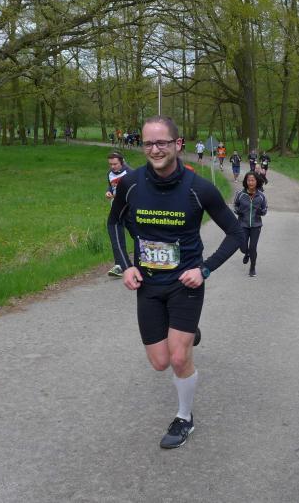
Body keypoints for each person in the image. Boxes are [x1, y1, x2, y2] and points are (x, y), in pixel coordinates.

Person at [107, 115, 244, 449]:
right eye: (148, 143)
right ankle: (188, 332)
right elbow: (114, 223)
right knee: (160, 362)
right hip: (148, 285)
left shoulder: (199, 189)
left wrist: (205, 269)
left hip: (186, 284)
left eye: (162, 143)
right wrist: (126, 266)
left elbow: (236, 233)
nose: (155, 149)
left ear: (178, 144)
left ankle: (184, 418)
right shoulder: (131, 185)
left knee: (179, 359)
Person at [234, 171, 267, 277]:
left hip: (256, 225)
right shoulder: (240, 194)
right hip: (243, 224)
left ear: (256, 181)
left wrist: (261, 212)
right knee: (242, 247)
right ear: (246, 181)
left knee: (253, 247)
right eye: (248, 180)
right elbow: (235, 205)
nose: (250, 182)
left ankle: (252, 268)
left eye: (253, 180)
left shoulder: (261, 196)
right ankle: (246, 253)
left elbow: (265, 209)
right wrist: (238, 211)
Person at [105, 151, 132, 277]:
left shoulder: (130, 173)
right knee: (115, 236)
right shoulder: (109, 174)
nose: (113, 167)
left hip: (129, 210)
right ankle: (120, 265)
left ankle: (148, 261)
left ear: (122, 162)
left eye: (115, 164)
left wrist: (122, 195)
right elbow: (111, 187)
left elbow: (135, 191)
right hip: (116, 210)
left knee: (139, 236)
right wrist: (109, 192)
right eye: (110, 164)